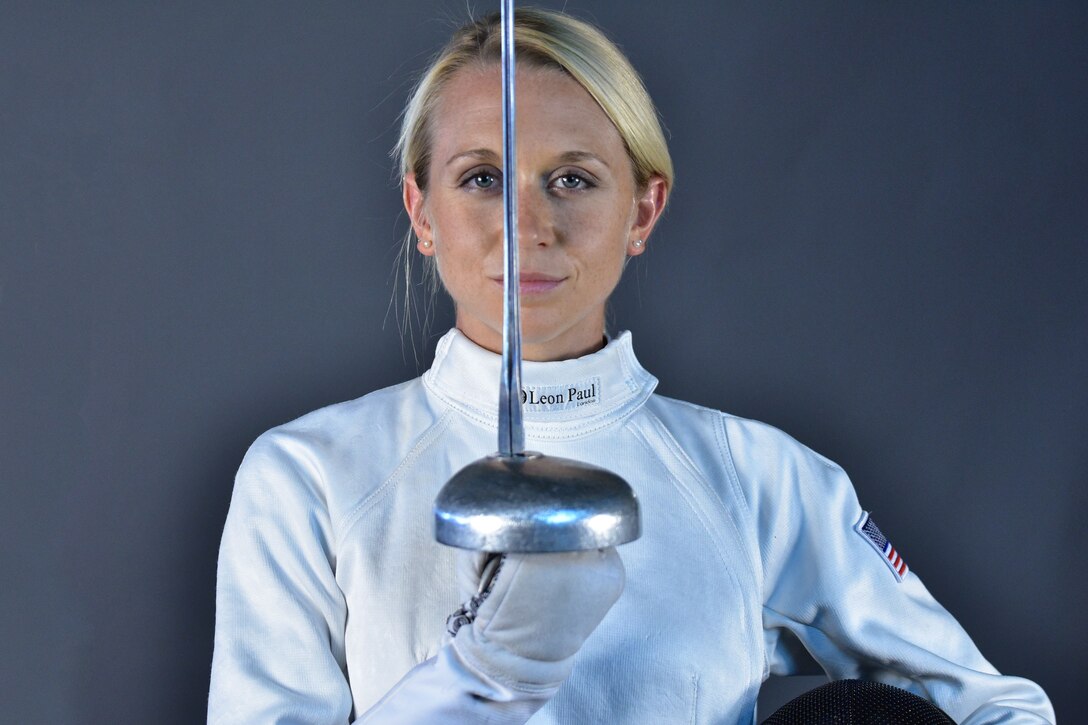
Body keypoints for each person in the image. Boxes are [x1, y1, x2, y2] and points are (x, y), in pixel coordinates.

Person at [208, 8, 1055, 724]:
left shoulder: (755, 479)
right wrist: (491, 669)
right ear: (420, 210)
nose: (527, 223)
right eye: (481, 178)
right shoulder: (309, 479)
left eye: (572, 179)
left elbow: (1001, 709)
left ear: (643, 210)